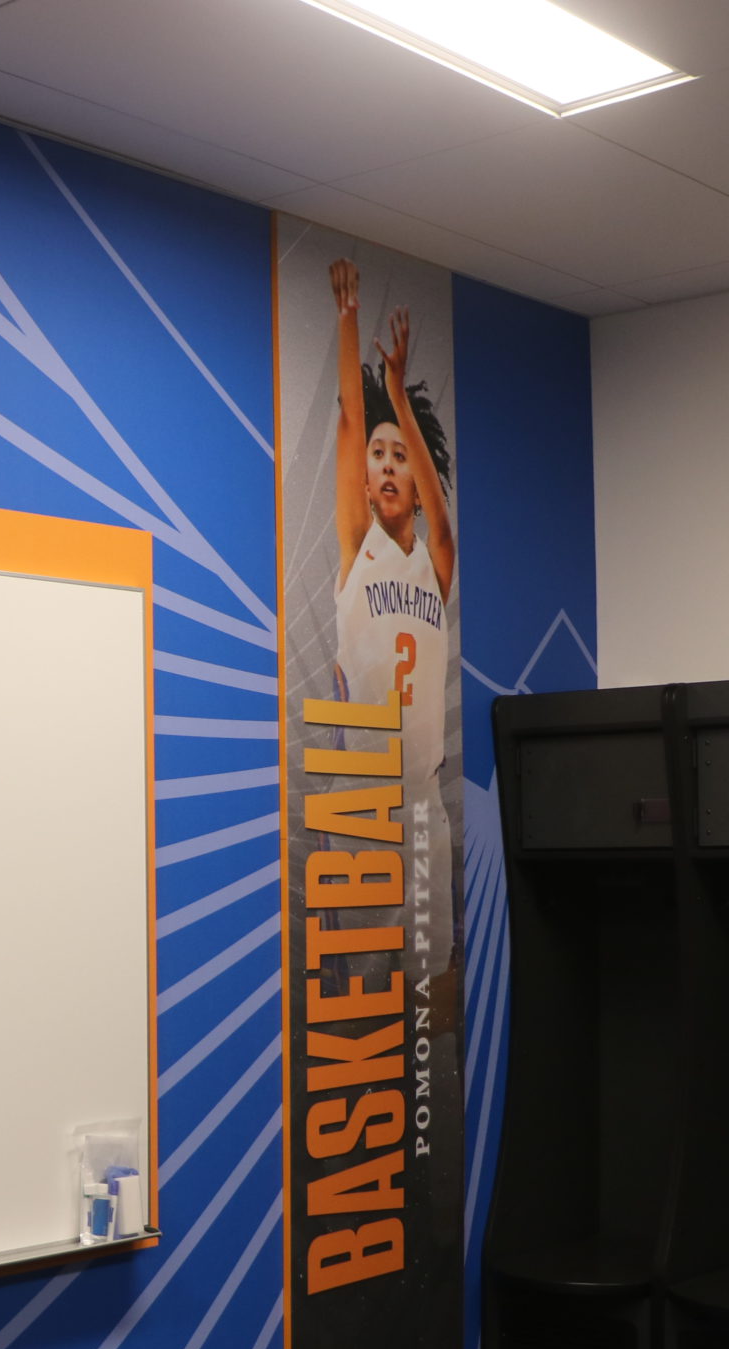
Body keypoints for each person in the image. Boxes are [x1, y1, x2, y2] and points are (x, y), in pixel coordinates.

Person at [328, 257, 458, 978]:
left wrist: (401, 400)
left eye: (397, 456)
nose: (382, 464)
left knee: (430, 996)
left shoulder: (432, 565)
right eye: (377, 454)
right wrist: (348, 322)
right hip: (361, 802)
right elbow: (351, 417)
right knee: (362, 1002)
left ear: (415, 474)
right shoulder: (358, 549)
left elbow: (444, 522)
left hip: (421, 803)